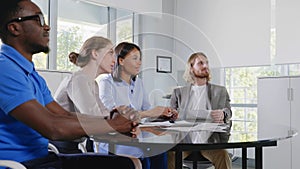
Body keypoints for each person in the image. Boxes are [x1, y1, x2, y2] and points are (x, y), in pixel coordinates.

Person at [0, 1, 140, 168]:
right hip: (21, 164)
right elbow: (52, 127)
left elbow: (62, 115)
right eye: (38, 20)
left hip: (44, 157)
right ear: (14, 28)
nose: (47, 27)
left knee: (131, 162)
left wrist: (108, 119)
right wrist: (113, 124)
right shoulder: (4, 69)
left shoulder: (31, 74)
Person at [97, 42, 177, 169]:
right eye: (135, 58)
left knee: (161, 153)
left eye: (140, 59)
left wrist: (163, 115)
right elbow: (113, 116)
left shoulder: (139, 82)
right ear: (121, 60)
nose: (139, 63)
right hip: (116, 142)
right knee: (152, 156)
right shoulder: (106, 82)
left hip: (139, 138)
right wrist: (150, 113)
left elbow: (146, 112)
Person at [168, 52, 232, 169]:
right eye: (201, 63)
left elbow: (228, 112)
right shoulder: (178, 93)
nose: (205, 66)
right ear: (191, 68)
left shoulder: (220, 91)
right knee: (168, 156)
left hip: (210, 142)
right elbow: (171, 115)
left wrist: (223, 114)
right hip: (184, 142)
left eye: (207, 63)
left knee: (223, 154)